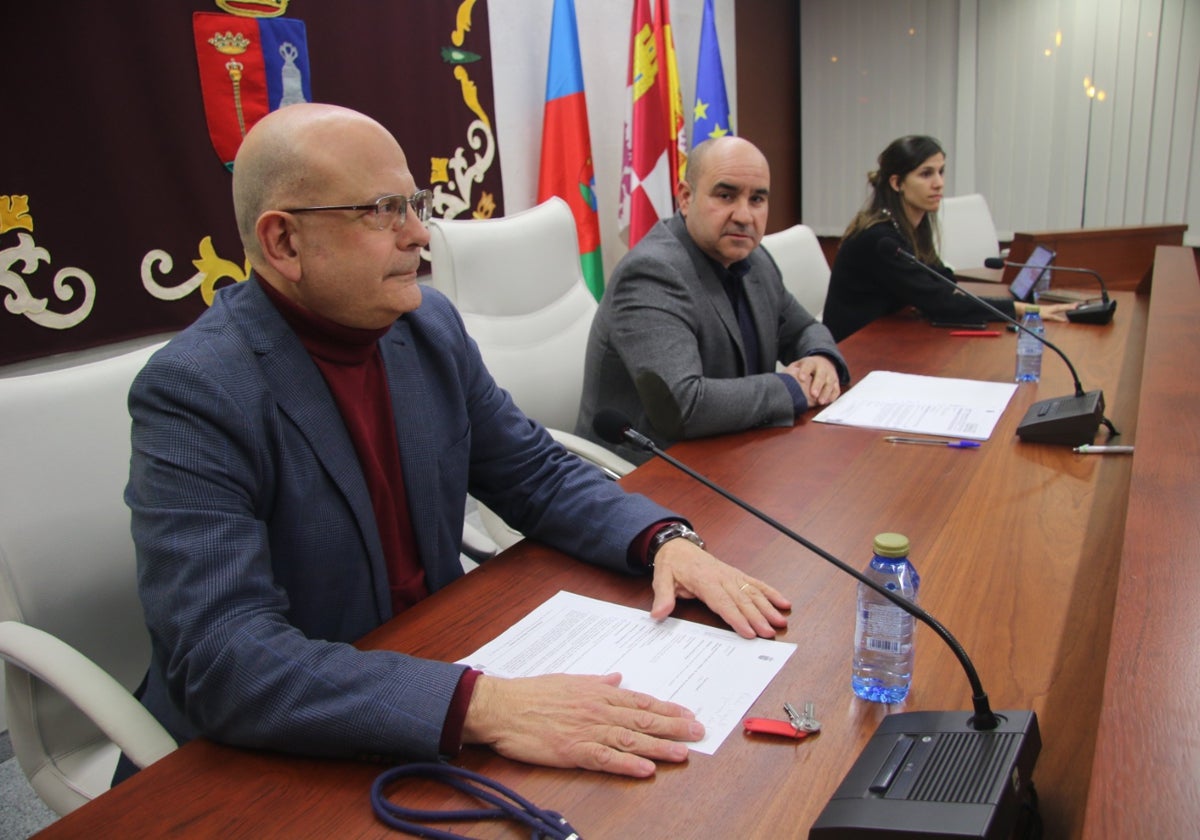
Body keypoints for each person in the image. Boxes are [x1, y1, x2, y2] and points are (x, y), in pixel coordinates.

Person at [122, 103, 792, 783]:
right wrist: (484, 705)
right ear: (284, 243)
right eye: (384, 211)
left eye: (416, 203)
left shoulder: (427, 325)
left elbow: (534, 471)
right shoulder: (196, 391)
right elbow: (220, 655)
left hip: (435, 659)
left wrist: (663, 538)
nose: (421, 235)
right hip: (279, 747)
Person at [576, 136, 850, 465]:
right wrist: (791, 389)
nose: (745, 216)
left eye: (757, 199)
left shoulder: (755, 258)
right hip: (650, 472)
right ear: (686, 198)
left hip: (734, 452)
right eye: (726, 195)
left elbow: (803, 327)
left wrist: (821, 359)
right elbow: (683, 406)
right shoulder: (652, 273)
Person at [823, 135, 1077, 342]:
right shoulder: (880, 240)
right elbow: (940, 301)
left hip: (886, 336)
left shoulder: (911, 225)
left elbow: (941, 280)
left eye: (941, 172)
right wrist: (1024, 310)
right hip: (855, 350)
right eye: (926, 174)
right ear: (897, 182)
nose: (939, 183)